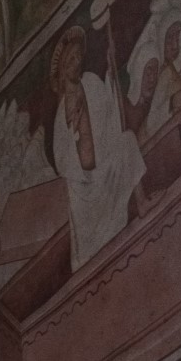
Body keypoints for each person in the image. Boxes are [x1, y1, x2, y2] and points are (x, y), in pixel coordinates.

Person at [50, 26, 146, 271]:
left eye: (78, 57)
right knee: (90, 251)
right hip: (85, 186)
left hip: (105, 166)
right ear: (62, 70)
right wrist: (73, 133)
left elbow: (110, 111)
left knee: (127, 141)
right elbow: (62, 161)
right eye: (70, 60)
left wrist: (112, 74)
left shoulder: (91, 83)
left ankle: (142, 202)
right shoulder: (61, 114)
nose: (76, 63)